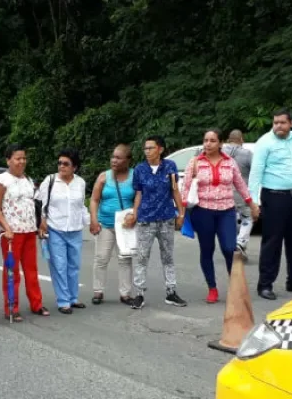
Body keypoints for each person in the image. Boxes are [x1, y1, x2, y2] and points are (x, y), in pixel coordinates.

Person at [247, 108, 292, 300]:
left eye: (282, 122)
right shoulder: (265, 142)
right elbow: (256, 174)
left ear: (291, 123)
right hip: (274, 196)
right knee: (272, 241)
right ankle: (265, 285)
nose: (278, 126)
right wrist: (254, 202)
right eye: (275, 122)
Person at [182, 129, 259, 303]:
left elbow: (240, 184)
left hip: (226, 211)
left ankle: (235, 286)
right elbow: (185, 188)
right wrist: (182, 212)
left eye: (212, 141)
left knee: (229, 248)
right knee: (207, 250)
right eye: (205, 140)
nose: (208, 144)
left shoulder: (229, 162)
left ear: (220, 143)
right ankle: (212, 288)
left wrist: (252, 204)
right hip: (203, 212)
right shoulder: (195, 162)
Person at [0, 143, 49, 321]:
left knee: (31, 270)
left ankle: (36, 303)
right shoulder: (1, 181)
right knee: (12, 271)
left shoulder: (28, 180)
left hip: (29, 231)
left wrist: (40, 225)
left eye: (24, 158)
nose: (22, 161)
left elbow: (34, 206)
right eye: (17, 158)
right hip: (11, 234)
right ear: (8, 160)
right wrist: (6, 227)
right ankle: (11, 307)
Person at [129, 135, 187, 309]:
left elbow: (175, 190)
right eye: (145, 148)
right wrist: (134, 213)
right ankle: (139, 293)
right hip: (146, 219)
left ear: (160, 149)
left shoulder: (170, 167)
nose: (147, 152)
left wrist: (181, 213)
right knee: (141, 257)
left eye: (151, 148)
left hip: (166, 218)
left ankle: (171, 291)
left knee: (168, 256)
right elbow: (138, 193)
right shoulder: (139, 169)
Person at [37, 148, 89, 314]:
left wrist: (92, 223)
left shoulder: (80, 183)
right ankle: (63, 300)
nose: (61, 166)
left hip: (75, 230)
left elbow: (81, 206)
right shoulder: (50, 181)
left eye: (66, 164)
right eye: (59, 163)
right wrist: (42, 222)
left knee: (74, 265)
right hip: (55, 229)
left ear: (75, 167)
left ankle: (73, 298)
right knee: (59, 266)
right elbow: (41, 204)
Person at [89, 144, 136, 305]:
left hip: (125, 226)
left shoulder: (134, 176)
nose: (114, 160)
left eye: (118, 157)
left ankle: (125, 294)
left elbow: (139, 198)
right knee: (101, 258)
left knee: (125, 258)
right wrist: (94, 220)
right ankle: (98, 291)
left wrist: (135, 215)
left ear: (128, 160)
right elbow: (94, 200)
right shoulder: (104, 177)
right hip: (106, 223)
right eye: (113, 157)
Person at [221, 129, 255, 258]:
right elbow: (255, 172)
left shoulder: (221, 152)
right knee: (247, 216)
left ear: (229, 139)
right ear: (241, 139)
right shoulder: (247, 154)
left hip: (224, 192)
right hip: (242, 192)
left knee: (231, 218)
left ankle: (233, 244)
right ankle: (240, 242)